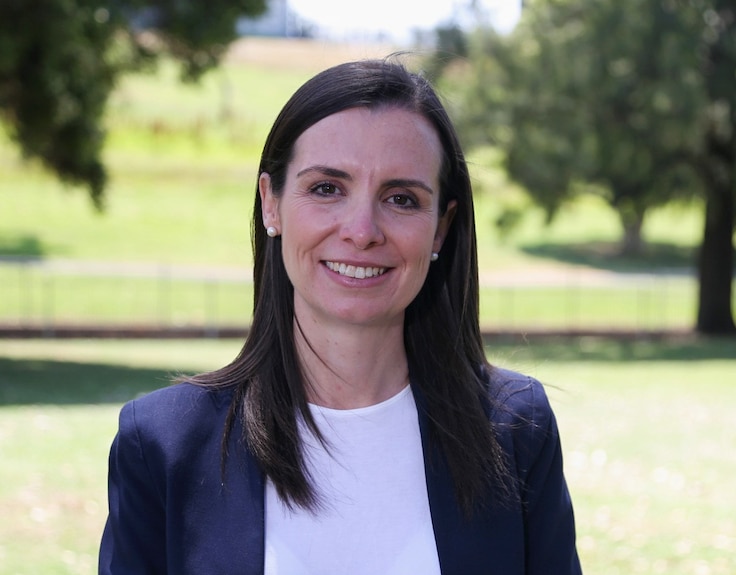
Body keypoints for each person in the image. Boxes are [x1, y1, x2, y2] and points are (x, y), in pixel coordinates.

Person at [98, 58, 582, 575]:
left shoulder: (513, 429)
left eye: (401, 198)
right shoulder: (162, 444)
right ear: (271, 204)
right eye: (327, 188)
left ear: (441, 228)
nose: (362, 229)